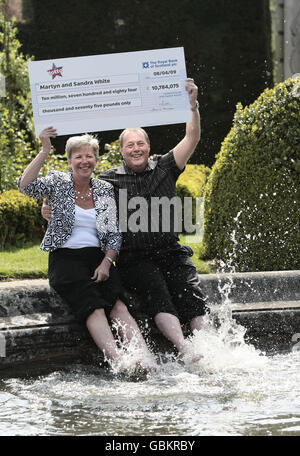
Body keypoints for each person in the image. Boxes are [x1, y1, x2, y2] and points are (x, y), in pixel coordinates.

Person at [43, 78, 208, 360]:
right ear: (121, 151)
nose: (136, 149)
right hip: (135, 256)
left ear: (148, 146)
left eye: (140, 143)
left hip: (170, 249)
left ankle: (208, 350)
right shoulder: (108, 180)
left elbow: (191, 137)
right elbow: (76, 185)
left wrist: (192, 106)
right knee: (156, 290)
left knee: (190, 292)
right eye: (130, 145)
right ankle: (185, 348)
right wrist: (48, 208)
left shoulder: (166, 166)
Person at [18, 128, 157, 373]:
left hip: (96, 257)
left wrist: (106, 262)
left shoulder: (103, 189)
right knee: (92, 303)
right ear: (70, 161)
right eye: (78, 157)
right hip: (65, 258)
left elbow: (113, 232)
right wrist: (44, 150)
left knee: (118, 304)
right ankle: (120, 362)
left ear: (96, 159)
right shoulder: (58, 182)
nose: (84, 161)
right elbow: (25, 186)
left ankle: (145, 358)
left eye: (89, 156)